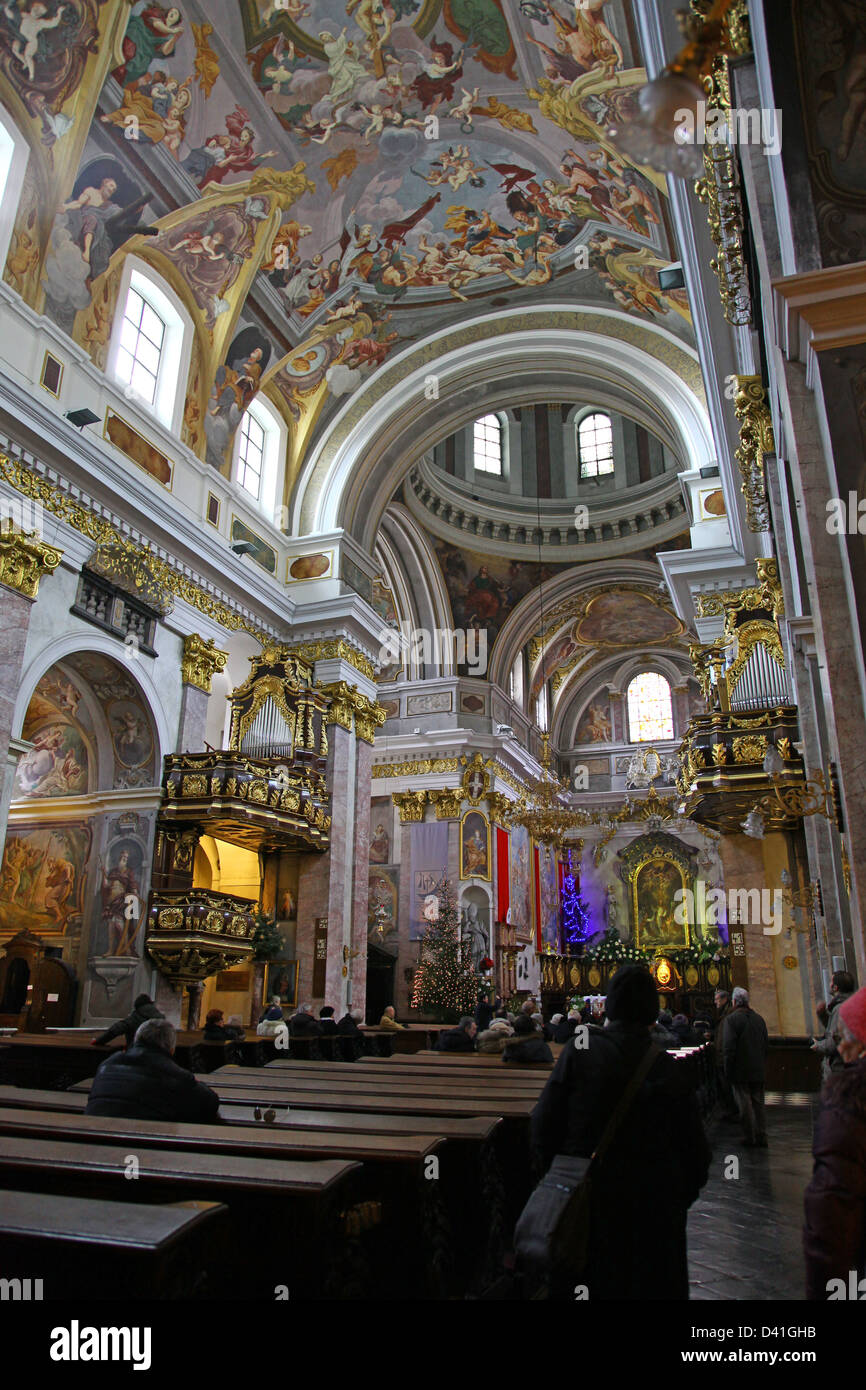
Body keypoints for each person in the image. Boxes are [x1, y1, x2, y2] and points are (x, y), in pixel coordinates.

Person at [531, 964, 711, 1298]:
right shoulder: (668, 1069)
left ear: (609, 1007)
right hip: (655, 1224)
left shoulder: (580, 1054)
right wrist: (671, 1203)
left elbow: (543, 1129)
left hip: (591, 1216)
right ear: (651, 1012)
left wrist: (564, 1182)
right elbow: (697, 1155)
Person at [803, 986, 866, 1300]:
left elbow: (831, 1204)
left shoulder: (848, 1102)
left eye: (844, 1038)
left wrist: (825, 1287)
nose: (841, 1049)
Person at [86, 1018, 220, 1123]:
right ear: (172, 1050)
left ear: (136, 1040)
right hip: (140, 1150)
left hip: (90, 1142)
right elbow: (210, 1103)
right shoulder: (175, 1075)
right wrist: (196, 1083)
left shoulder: (107, 1064)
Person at [723, 986, 769, 1148]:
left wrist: (727, 1069)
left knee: (744, 1104)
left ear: (734, 1002)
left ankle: (750, 1136)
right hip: (758, 1067)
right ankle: (761, 1134)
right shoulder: (759, 1019)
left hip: (740, 1069)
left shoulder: (732, 1020)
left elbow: (728, 1047)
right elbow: (765, 1043)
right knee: (758, 1102)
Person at [812, 970, 857, 1081]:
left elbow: (835, 1041)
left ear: (835, 987)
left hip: (839, 1069)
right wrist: (823, 1015)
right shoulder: (854, 1004)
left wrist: (818, 1045)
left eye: (830, 982)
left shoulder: (840, 1008)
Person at [91, 993, 163, 1049]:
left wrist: (99, 1041)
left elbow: (115, 1030)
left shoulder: (135, 1017)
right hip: (159, 1056)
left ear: (137, 1006)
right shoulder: (162, 1019)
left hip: (136, 1054)